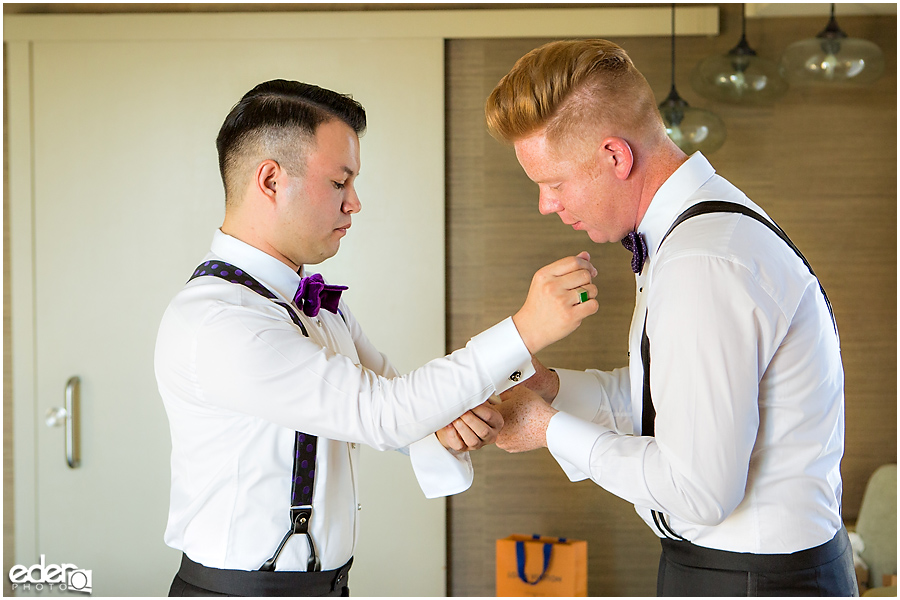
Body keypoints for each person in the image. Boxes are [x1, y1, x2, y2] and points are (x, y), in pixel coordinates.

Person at [155, 79, 599, 597]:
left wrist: (446, 423)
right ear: (271, 181)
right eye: (340, 182)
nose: (355, 203)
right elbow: (381, 412)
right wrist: (526, 330)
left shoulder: (311, 302)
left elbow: (393, 394)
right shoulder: (222, 320)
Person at [486, 40, 856, 596]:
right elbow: (675, 402)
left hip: (752, 580)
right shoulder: (693, 236)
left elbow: (699, 490)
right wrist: (554, 390)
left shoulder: (703, 261)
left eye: (554, 183)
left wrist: (550, 430)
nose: (545, 204)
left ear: (616, 156)